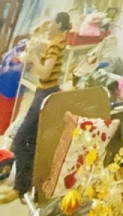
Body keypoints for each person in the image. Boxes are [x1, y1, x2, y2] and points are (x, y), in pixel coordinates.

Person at [0, 11, 72, 203]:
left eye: (51, 23)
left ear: (59, 25)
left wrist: (32, 59)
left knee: (21, 140)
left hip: (45, 94)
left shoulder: (55, 46)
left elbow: (45, 73)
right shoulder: (53, 43)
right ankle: (22, 187)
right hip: (42, 92)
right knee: (29, 140)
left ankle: (21, 188)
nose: (47, 26)